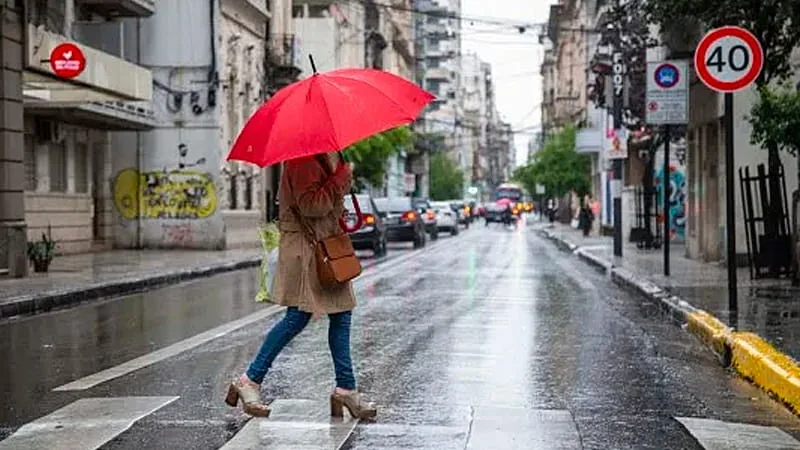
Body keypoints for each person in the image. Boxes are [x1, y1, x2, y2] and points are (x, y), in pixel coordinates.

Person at [225, 152, 376, 420]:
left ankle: (345, 388)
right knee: (297, 317)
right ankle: (249, 380)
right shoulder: (303, 161)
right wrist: (337, 182)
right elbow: (310, 206)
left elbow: (323, 206)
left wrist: (339, 194)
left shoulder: (325, 157)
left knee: (341, 314)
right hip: (307, 252)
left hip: (326, 248)